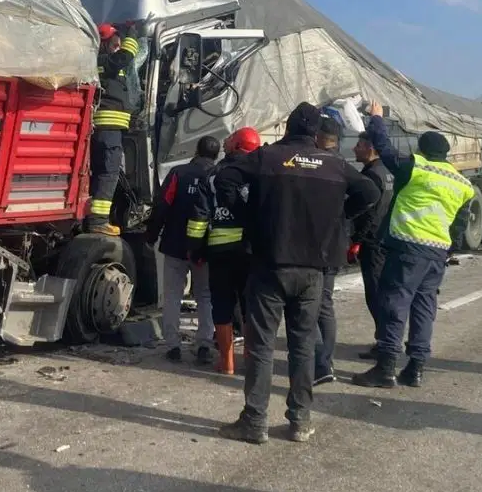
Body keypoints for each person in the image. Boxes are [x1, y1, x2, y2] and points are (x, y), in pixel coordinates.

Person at [215, 103, 379, 443]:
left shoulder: (267, 157)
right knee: (302, 345)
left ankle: (255, 420)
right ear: (316, 134)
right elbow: (370, 192)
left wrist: (249, 217)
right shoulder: (333, 164)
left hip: (269, 264)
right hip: (313, 270)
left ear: (288, 128)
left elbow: (225, 178)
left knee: (261, 346)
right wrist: (338, 220)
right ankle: (300, 420)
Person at [352, 101, 474, 389]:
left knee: (394, 305)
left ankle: (385, 368)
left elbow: (383, 147)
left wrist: (376, 118)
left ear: (423, 150)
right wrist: (448, 251)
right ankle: (415, 368)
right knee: (424, 308)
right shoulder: (462, 183)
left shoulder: (415, 169)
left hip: (408, 247)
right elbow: (459, 224)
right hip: (436, 253)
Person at [189, 126, 262, 375]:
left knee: (221, 305)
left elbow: (199, 216)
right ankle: (252, 361)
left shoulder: (213, 174)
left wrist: (196, 249)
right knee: (250, 306)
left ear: (236, 145)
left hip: (219, 251)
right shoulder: (261, 173)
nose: (226, 141)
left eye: (231, 139)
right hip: (251, 251)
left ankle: (227, 363)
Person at [145, 136, 219, 364]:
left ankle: (173, 346)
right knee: (205, 295)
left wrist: (151, 235)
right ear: (216, 155)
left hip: (175, 245)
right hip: (205, 248)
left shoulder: (178, 173)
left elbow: (162, 205)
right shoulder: (218, 175)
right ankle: (204, 344)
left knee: (173, 295)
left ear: (196, 151)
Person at [86, 22, 141, 235]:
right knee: (108, 173)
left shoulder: (108, 64)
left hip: (109, 129)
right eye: (115, 45)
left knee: (101, 173)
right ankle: (98, 221)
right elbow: (124, 58)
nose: (117, 49)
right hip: (107, 128)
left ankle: (92, 218)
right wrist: (132, 35)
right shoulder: (101, 62)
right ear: (103, 44)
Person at [351, 128, 395, 361]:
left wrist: (357, 240)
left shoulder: (371, 175)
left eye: (359, 145)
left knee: (375, 293)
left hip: (372, 242)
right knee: (383, 292)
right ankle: (386, 339)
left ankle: (385, 343)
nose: (354, 149)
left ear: (370, 148)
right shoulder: (387, 171)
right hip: (386, 239)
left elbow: (370, 215)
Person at [313, 116, 346, 386]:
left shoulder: (317, 164)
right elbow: (368, 194)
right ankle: (326, 361)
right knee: (325, 304)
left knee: (307, 305)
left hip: (313, 246)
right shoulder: (343, 165)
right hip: (335, 244)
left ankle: (320, 364)